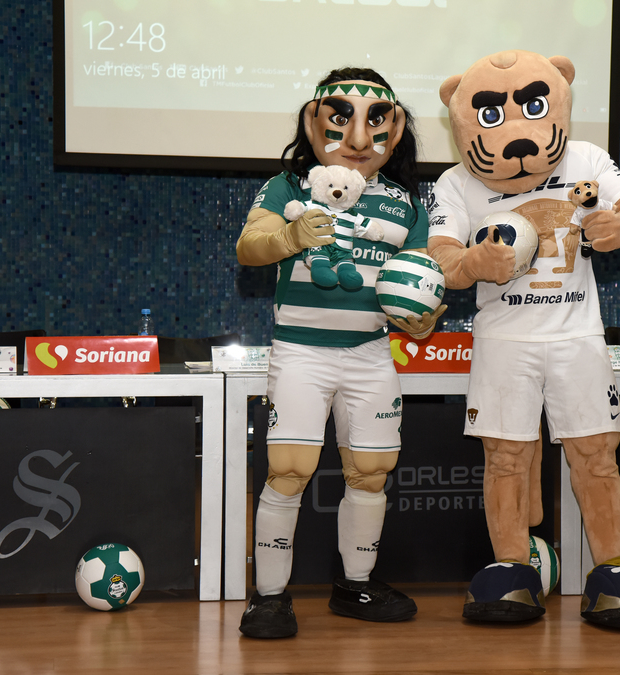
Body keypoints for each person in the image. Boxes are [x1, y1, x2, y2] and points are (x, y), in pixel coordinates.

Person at [427, 50, 620, 629]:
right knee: (504, 457)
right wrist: (472, 263)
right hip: (503, 342)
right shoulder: (455, 182)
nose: (515, 135)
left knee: (596, 454)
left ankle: (612, 570)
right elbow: (441, 260)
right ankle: (512, 569)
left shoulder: (586, 158)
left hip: (576, 335)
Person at [234, 67, 443, 639]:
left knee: (371, 472)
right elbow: (249, 247)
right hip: (301, 352)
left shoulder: (407, 205)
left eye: (376, 122)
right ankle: (269, 597)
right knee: (288, 470)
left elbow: (420, 283)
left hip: (371, 354)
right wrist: (291, 238)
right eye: (341, 118)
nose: (358, 137)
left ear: (393, 131)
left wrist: (423, 318)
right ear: (314, 121)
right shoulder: (288, 186)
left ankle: (356, 586)